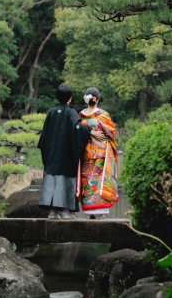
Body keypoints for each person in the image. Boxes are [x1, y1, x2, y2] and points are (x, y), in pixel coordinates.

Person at [38, 83, 99, 219]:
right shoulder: (71, 112)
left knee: (52, 177)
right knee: (65, 179)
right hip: (65, 155)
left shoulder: (51, 113)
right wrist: (90, 130)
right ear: (70, 98)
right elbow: (79, 129)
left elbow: (44, 136)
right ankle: (65, 210)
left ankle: (52, 211)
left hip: (52, 154)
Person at [78, 87, 119, 219]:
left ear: (86, 99)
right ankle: (100, 211)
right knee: (99, 181)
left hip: (85, 153)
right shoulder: (103, 115)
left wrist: (88, 131)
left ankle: (90, 212)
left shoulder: (80, 116)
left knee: (88, 180)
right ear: (98, 100)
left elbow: (77, 130)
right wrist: (95, 132)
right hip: (100, 153)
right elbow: (111, 133)